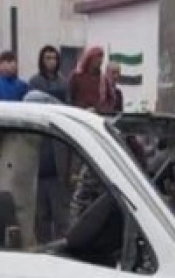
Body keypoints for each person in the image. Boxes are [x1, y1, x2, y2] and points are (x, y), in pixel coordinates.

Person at [23, 90, 73, 241]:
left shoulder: (60, 126)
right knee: (40, 221)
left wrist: (71, 174)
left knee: (62, 220)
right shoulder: (28, 127)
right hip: (37, 179)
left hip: (57, 179)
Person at [69, 47, 115, 113]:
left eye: (101, 57)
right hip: (79, 114)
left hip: (97, 115)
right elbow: (70, 97)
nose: (100, 60)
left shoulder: (104, 79)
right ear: (90, 58)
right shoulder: (77, 76)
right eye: (97, 57)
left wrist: (103, 109)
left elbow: (111, 100)